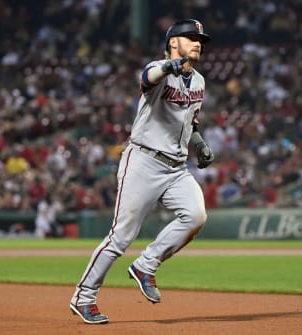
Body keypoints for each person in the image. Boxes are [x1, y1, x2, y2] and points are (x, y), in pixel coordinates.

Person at [69, 19, 214, 324]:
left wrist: (199, 144)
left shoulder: (199, 81)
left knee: (196, 215)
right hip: (144, 161)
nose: (198, 42)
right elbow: (148, 77)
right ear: (173, 42)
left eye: (200, 38)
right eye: (191, 37)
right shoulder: (159, 70)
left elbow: (191, 121)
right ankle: (84, 296)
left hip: (176, 167)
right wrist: (168, 67)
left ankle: (146, 265)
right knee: (121, 236)